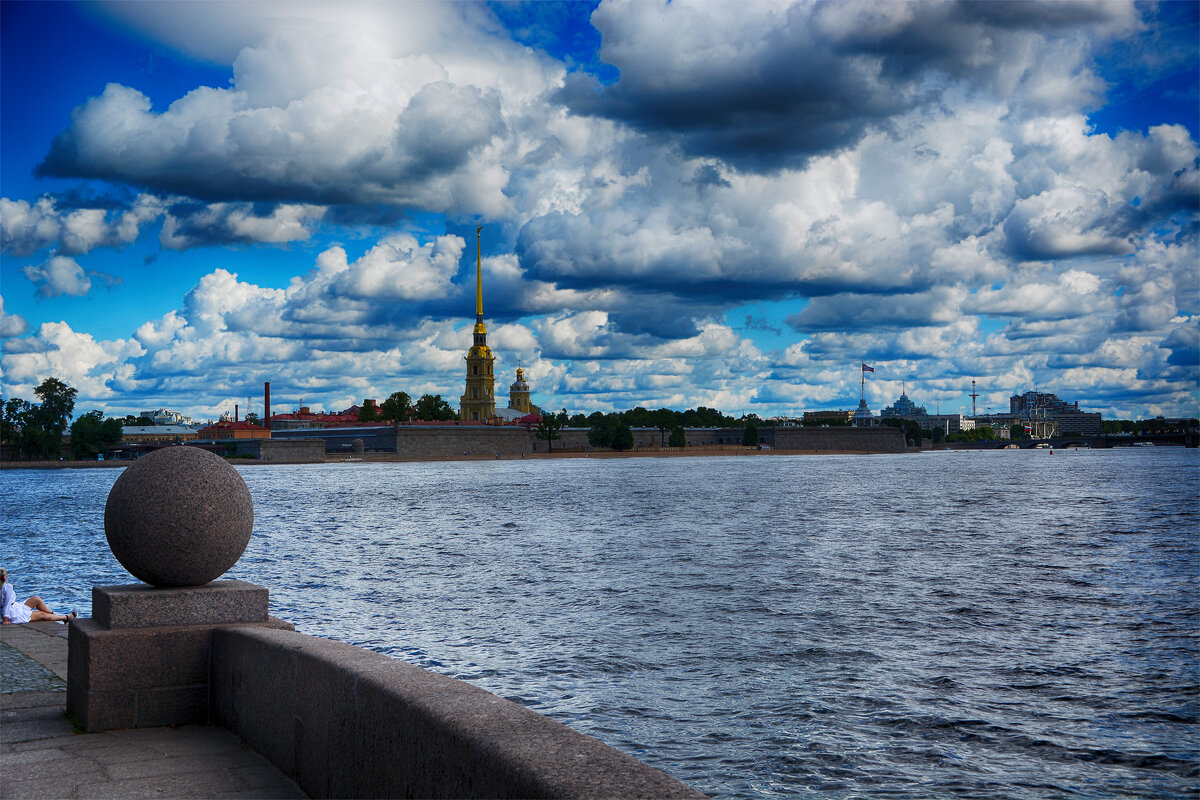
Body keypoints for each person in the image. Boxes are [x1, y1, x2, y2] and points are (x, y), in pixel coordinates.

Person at [0, 568, 77, 624]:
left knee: (36, 599)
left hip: (15, 608)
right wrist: (5, 620)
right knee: (42, 615)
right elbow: (6, 605)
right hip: (13, 614)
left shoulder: (4, 587)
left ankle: (54, 616)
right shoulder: (7, 588)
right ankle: (65, 618)